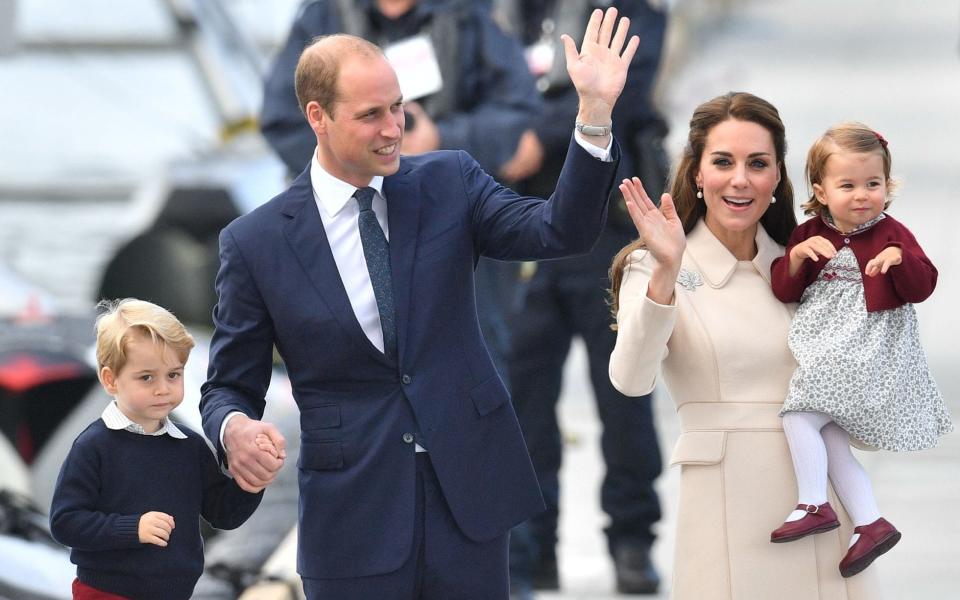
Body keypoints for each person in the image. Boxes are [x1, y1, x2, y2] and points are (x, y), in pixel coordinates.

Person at [200, 8, 638, 599]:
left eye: (397, 106)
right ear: (317, 118)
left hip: (470, 500)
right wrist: (233, 429)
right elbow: (228, 385)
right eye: (370, 115)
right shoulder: (254, 244)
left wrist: (593, 117)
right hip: (352, 518)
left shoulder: (449, 181)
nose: (394, 128)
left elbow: (558, 231)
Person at [608, 92, 883, 598]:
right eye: (722, 162)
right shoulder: (656, 266)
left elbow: (861, 414)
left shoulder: (816, 264)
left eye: (757, 163)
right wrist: (666, 274)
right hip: (727, 515)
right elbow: (630, 379)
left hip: (827, 521)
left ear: (778, 177)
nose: (740, 179)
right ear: (696, 173)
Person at [260, 0, 545, 382]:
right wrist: (361, 159)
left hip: (456, 228)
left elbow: (519, 111)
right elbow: (283, 122)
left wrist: (440, 141)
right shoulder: (324, 17)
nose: (390, 126)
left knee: (477, 368)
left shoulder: (471, 14)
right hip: (352, 225)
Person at [490, 0, 669, 595]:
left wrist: (535, 137)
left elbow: (631, 89)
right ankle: (531, 547)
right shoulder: (483, 14)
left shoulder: (628, 10)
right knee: (521, 401)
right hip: (512, 221)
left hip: (606, 222)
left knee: (624, 390)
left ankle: (632, 538)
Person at [767, 122, 952, 577]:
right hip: (829, 349)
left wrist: (900, 261)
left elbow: (923, 285)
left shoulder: (892, 233)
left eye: (873, 184)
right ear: (821, 191)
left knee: (798, 415)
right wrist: (793, 259)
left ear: (887, 187)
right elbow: (785, 290)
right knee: (829, 437)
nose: (862, 195)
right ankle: (869, 522)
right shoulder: (811, 231)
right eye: (847, 185)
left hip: (867, 353)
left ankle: (813, 503)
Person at [49, 299, 263, 600]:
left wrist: (252, 481)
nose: (163, 388)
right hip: (105, 594)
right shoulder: (93, 446)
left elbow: (223, 513)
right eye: (147, 377)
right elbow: (65, 522)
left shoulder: (190, 446)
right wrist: (133, 528)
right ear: (110, 379)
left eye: (173, 375)